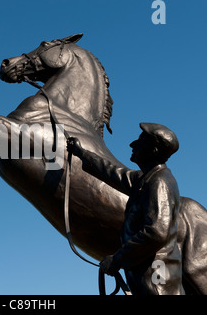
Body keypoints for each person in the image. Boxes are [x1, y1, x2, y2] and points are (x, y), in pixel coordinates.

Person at [67, 123, 184, 295]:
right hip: (147, 274)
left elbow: (157, 232)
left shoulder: (159, 182)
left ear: (154, 150)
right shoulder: (145, 179)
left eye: (141, 141)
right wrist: (81, 153)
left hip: (157, 279)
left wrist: (117, 260)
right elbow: (111, 172)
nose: (132, 144)